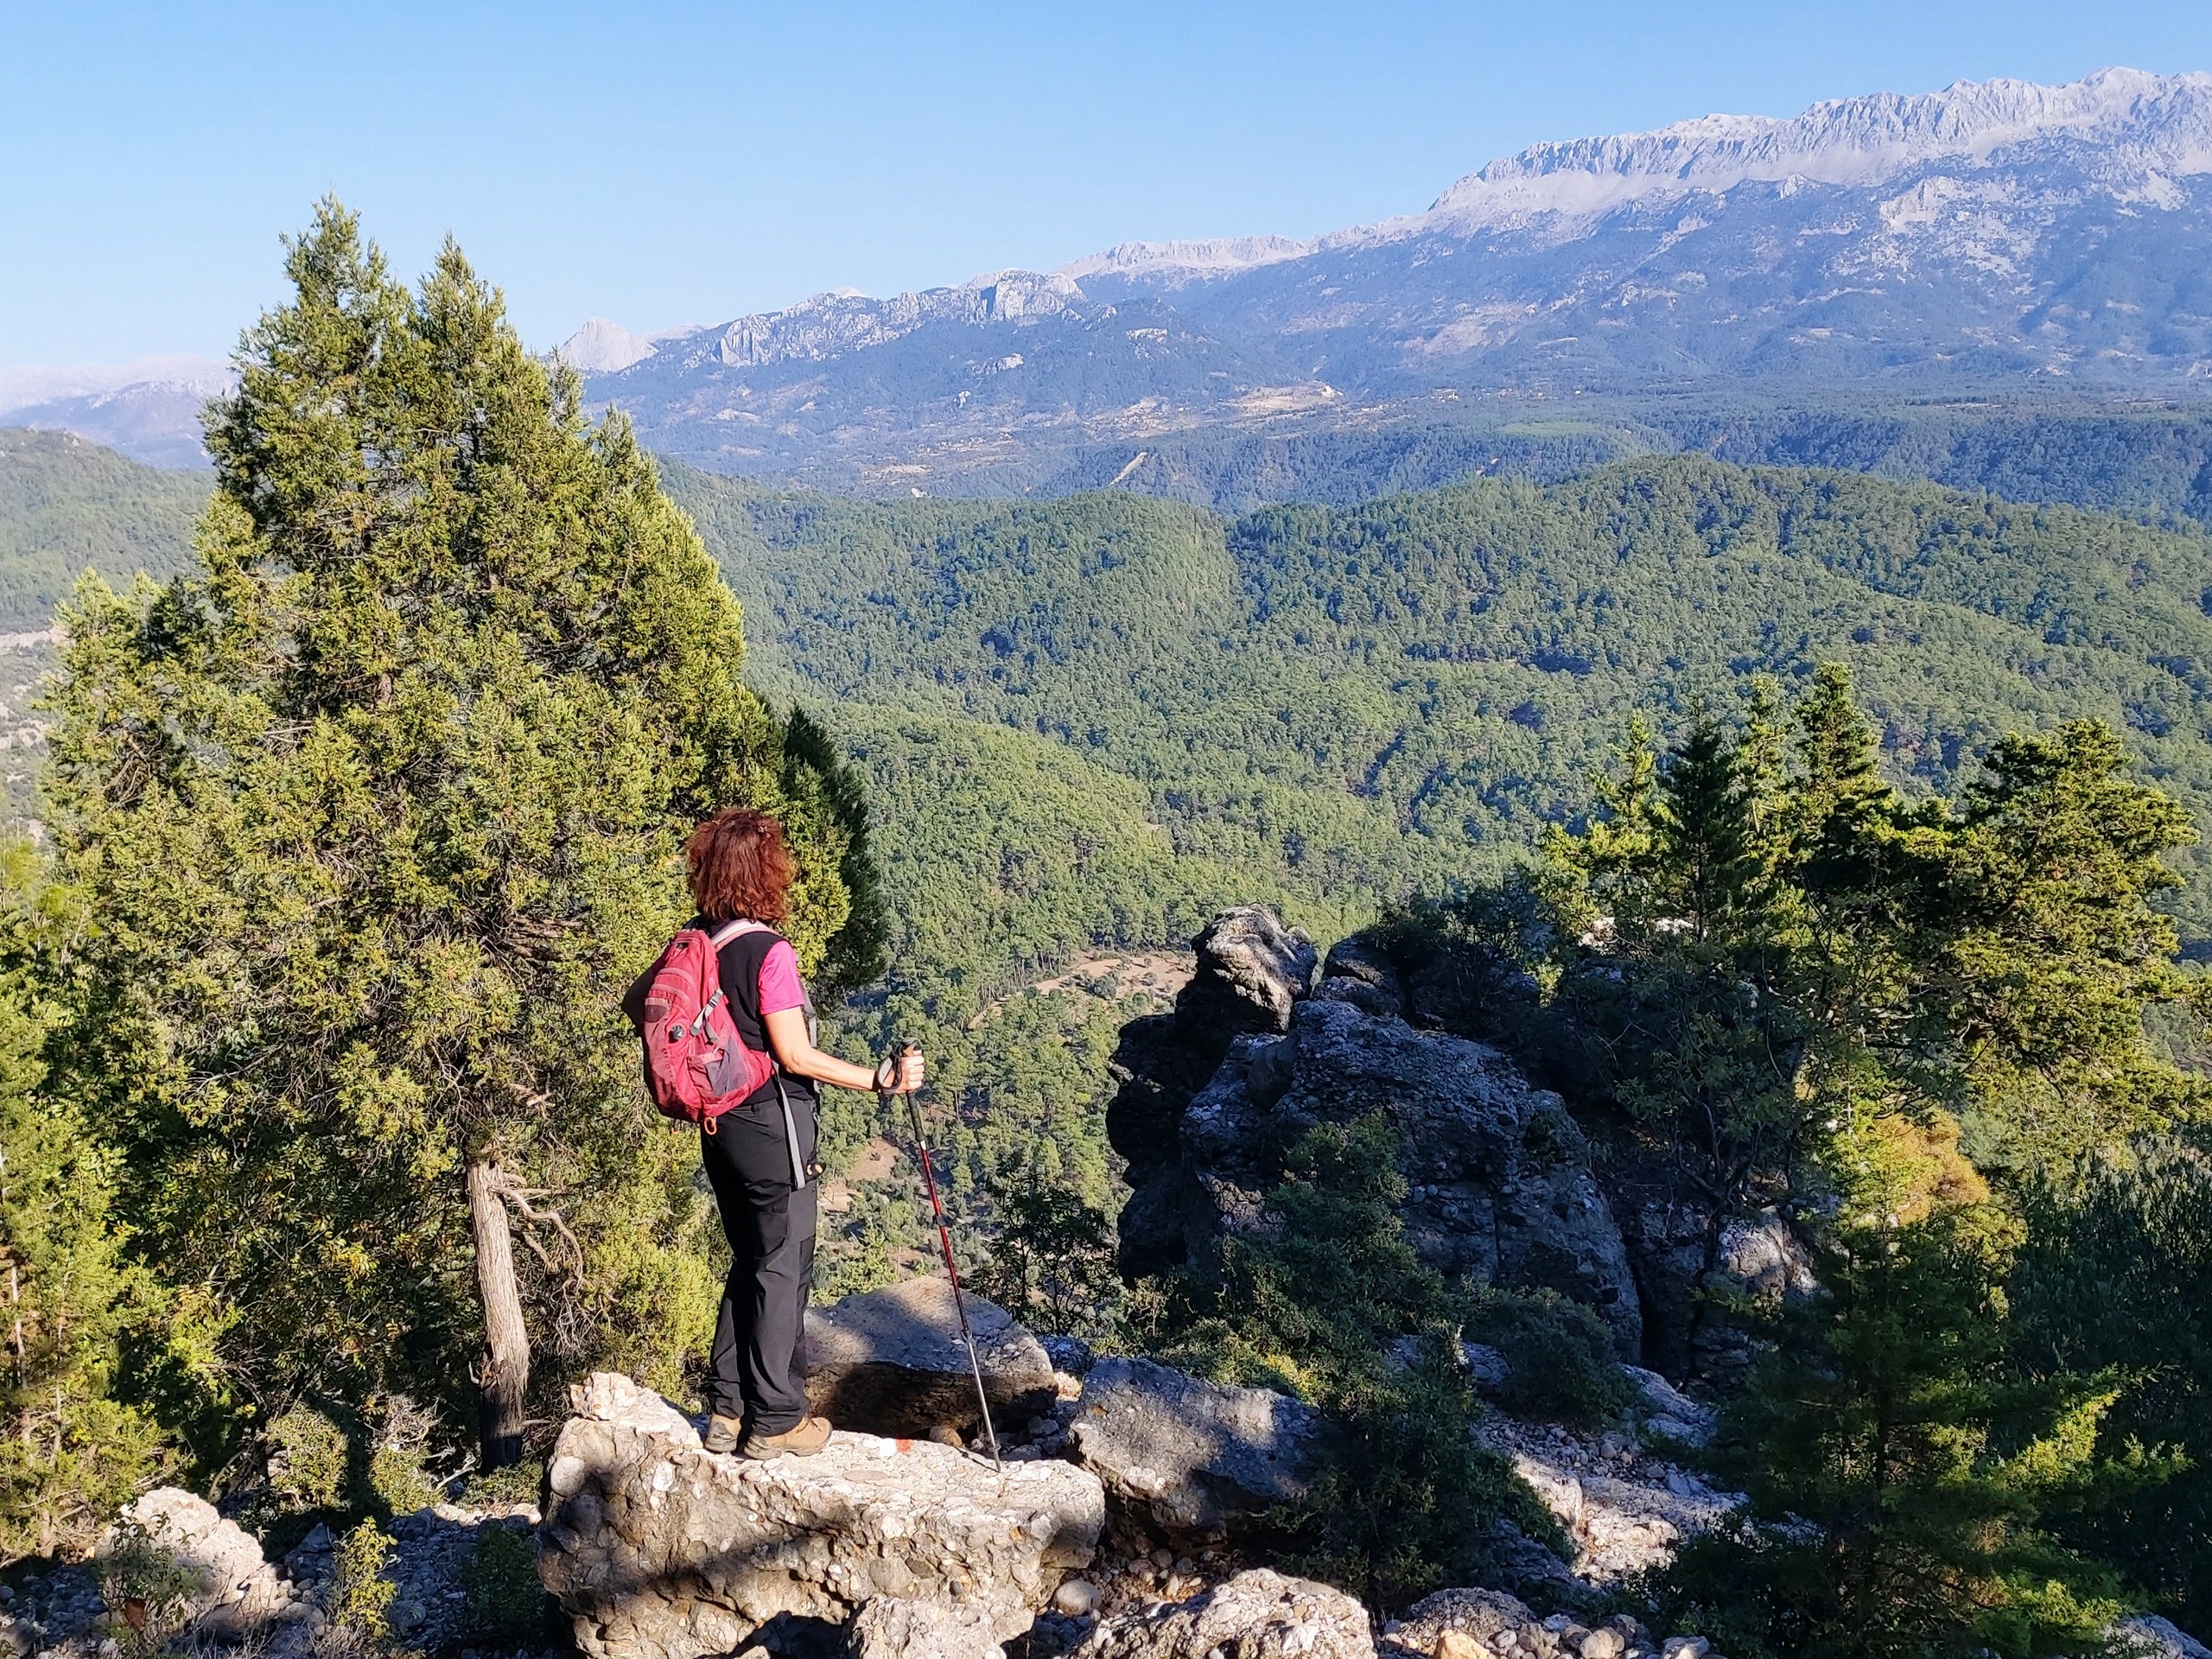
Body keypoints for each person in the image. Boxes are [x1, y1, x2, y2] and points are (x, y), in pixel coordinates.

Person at [681, 806, 923, 1459]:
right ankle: (778, 1420)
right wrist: (878, 1080)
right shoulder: (769, 951)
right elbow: (795, 1055)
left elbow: (640, 1002)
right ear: (768, 874)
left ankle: (727, 1411)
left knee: (751, 1259)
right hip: (772, 1127)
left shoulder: (695, 942)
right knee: (783, 1265)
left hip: (718, 1125)